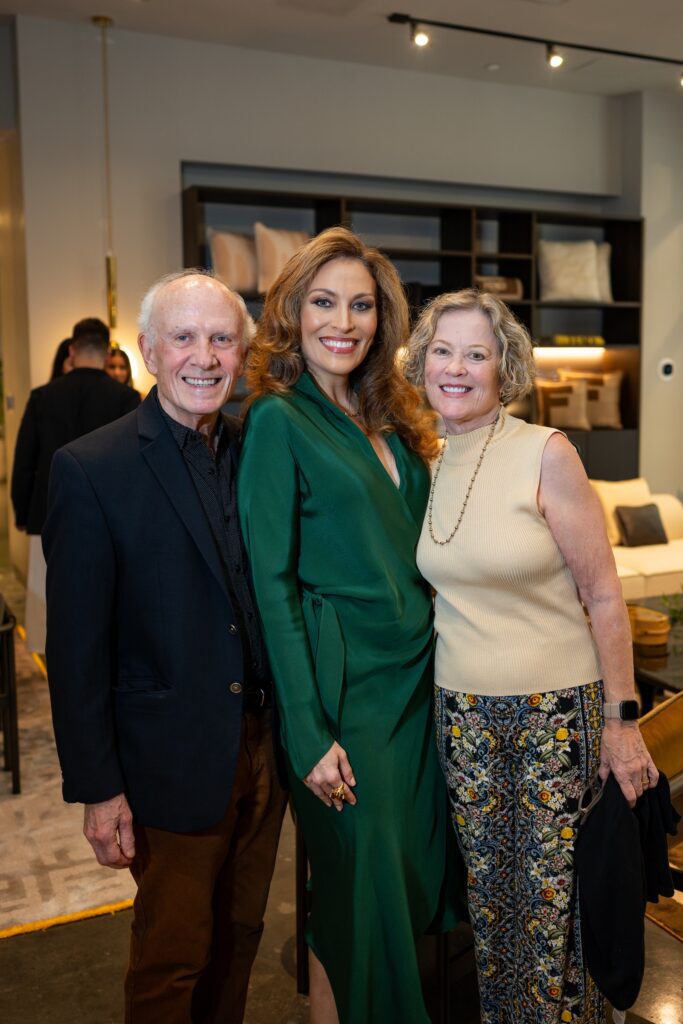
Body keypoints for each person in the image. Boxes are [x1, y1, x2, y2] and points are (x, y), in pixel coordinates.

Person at [405, 288, 658, 1024]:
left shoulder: (545, 452)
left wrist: (621, 721)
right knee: (494, 904)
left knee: (559, 907)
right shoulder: (420, 459)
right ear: (421, 363)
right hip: (461, 720)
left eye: (475, 354)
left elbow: (604, 595)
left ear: (504, 367)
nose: (456, 368)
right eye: (441, 352)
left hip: (554, 718)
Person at [43, 270, 288, 1024]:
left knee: (241, 935)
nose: (204, 357)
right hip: (167, 759)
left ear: (242, 352)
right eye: (184, 338)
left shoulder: (259, 452)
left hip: (264, 752)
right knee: (171, 953)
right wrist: (98, 789)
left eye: (221, 339)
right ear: (149, 351)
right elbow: (75, 649)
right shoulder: (92, 468)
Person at [237, 227, 458, 1024]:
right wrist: (305, 729)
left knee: (384, 892)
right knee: (360, 887)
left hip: (415, 685)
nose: (344, 320)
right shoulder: (276, 420)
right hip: (345, 698)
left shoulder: (391, 416)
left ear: (382, 319)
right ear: (292, 312)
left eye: (361, 305)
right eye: (324, 301)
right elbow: (273, 584)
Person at [11, 325, 140, 653]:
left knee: (47, 601)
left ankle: (49, 662)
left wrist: (22, 511)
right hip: (110, 515)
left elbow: (25, 459)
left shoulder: (43, 396)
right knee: (104, 601)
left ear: (71, 350)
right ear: (106, 354)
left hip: (49, 511)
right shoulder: (124, 397)